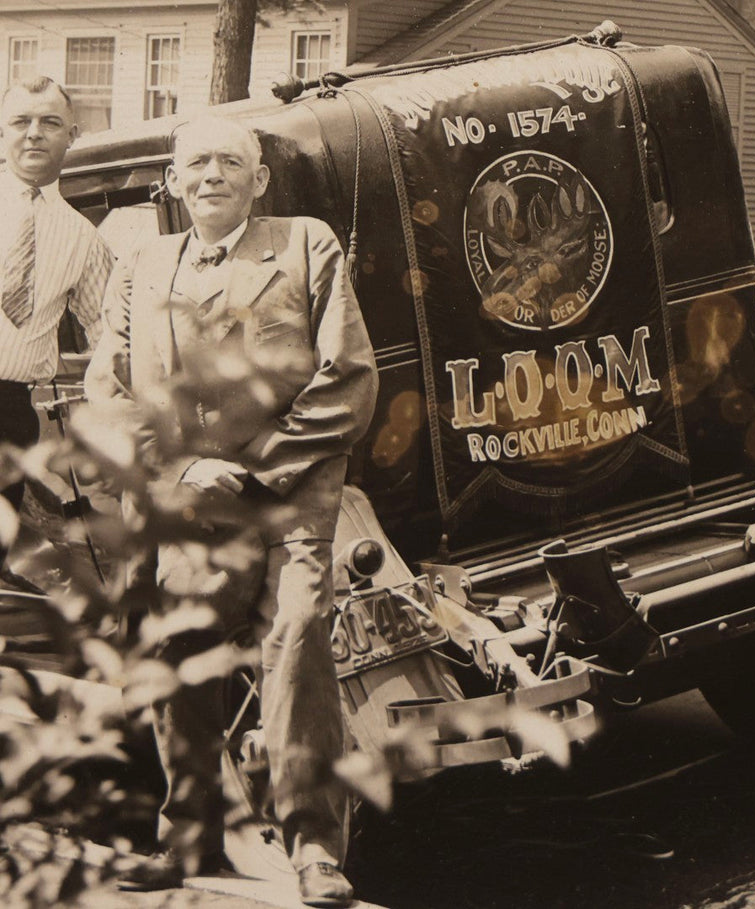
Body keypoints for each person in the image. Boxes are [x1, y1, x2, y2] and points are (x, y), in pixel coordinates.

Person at [85, 116, 378, 903]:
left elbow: (348, 375)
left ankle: (314, 846)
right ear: (173, 182)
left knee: (295, 636)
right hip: (184, 492)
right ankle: (189, 840)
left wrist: (256, 471)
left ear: (260, 180)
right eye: (196, 163)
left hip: (290, 493)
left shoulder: (305, 244)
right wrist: (186, 465)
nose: (211, 174)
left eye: (230, 162)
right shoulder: (141, 265)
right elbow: (106, 389)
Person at [0, 77, 112, 518]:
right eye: (20, 121)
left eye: (49, 122)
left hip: (9, 415)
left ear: (72, 135)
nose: (33, 133)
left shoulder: (84, 238)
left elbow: (110, 335)